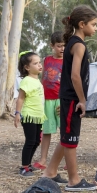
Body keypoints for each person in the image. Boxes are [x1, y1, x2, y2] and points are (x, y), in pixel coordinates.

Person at [42, 5, 97, 191]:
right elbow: (75, 75)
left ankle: (50, 172)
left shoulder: (74, 42)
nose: (95, 28)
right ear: (82, 24)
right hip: (72, 98)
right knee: (71, 138)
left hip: (68, 97)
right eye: (93, 24)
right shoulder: (78, 45)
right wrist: (82, 100)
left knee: (67, 136)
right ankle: (74, 180)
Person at [34, 32, 65, 171]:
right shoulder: (46, 60)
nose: (62, 48)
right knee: (46, 131)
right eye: (59, 46)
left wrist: (65, 101)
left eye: (64, 45)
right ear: (52, 45)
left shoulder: (68, 61)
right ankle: (43, 159)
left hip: (61, 100)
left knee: (65, 131)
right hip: (47, 100)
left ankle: (66, 161)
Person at [13, 52, 46, 177]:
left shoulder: (37, 80)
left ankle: (28, 164)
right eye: (35, 63)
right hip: (29, 115)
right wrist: (17, 114)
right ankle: (24, 167)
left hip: (38, 116)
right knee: (30, 141)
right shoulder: (26, 81)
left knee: (37, 141)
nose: (39, 65)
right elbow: (20, 99)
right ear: (27, 67)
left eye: (39, 62)